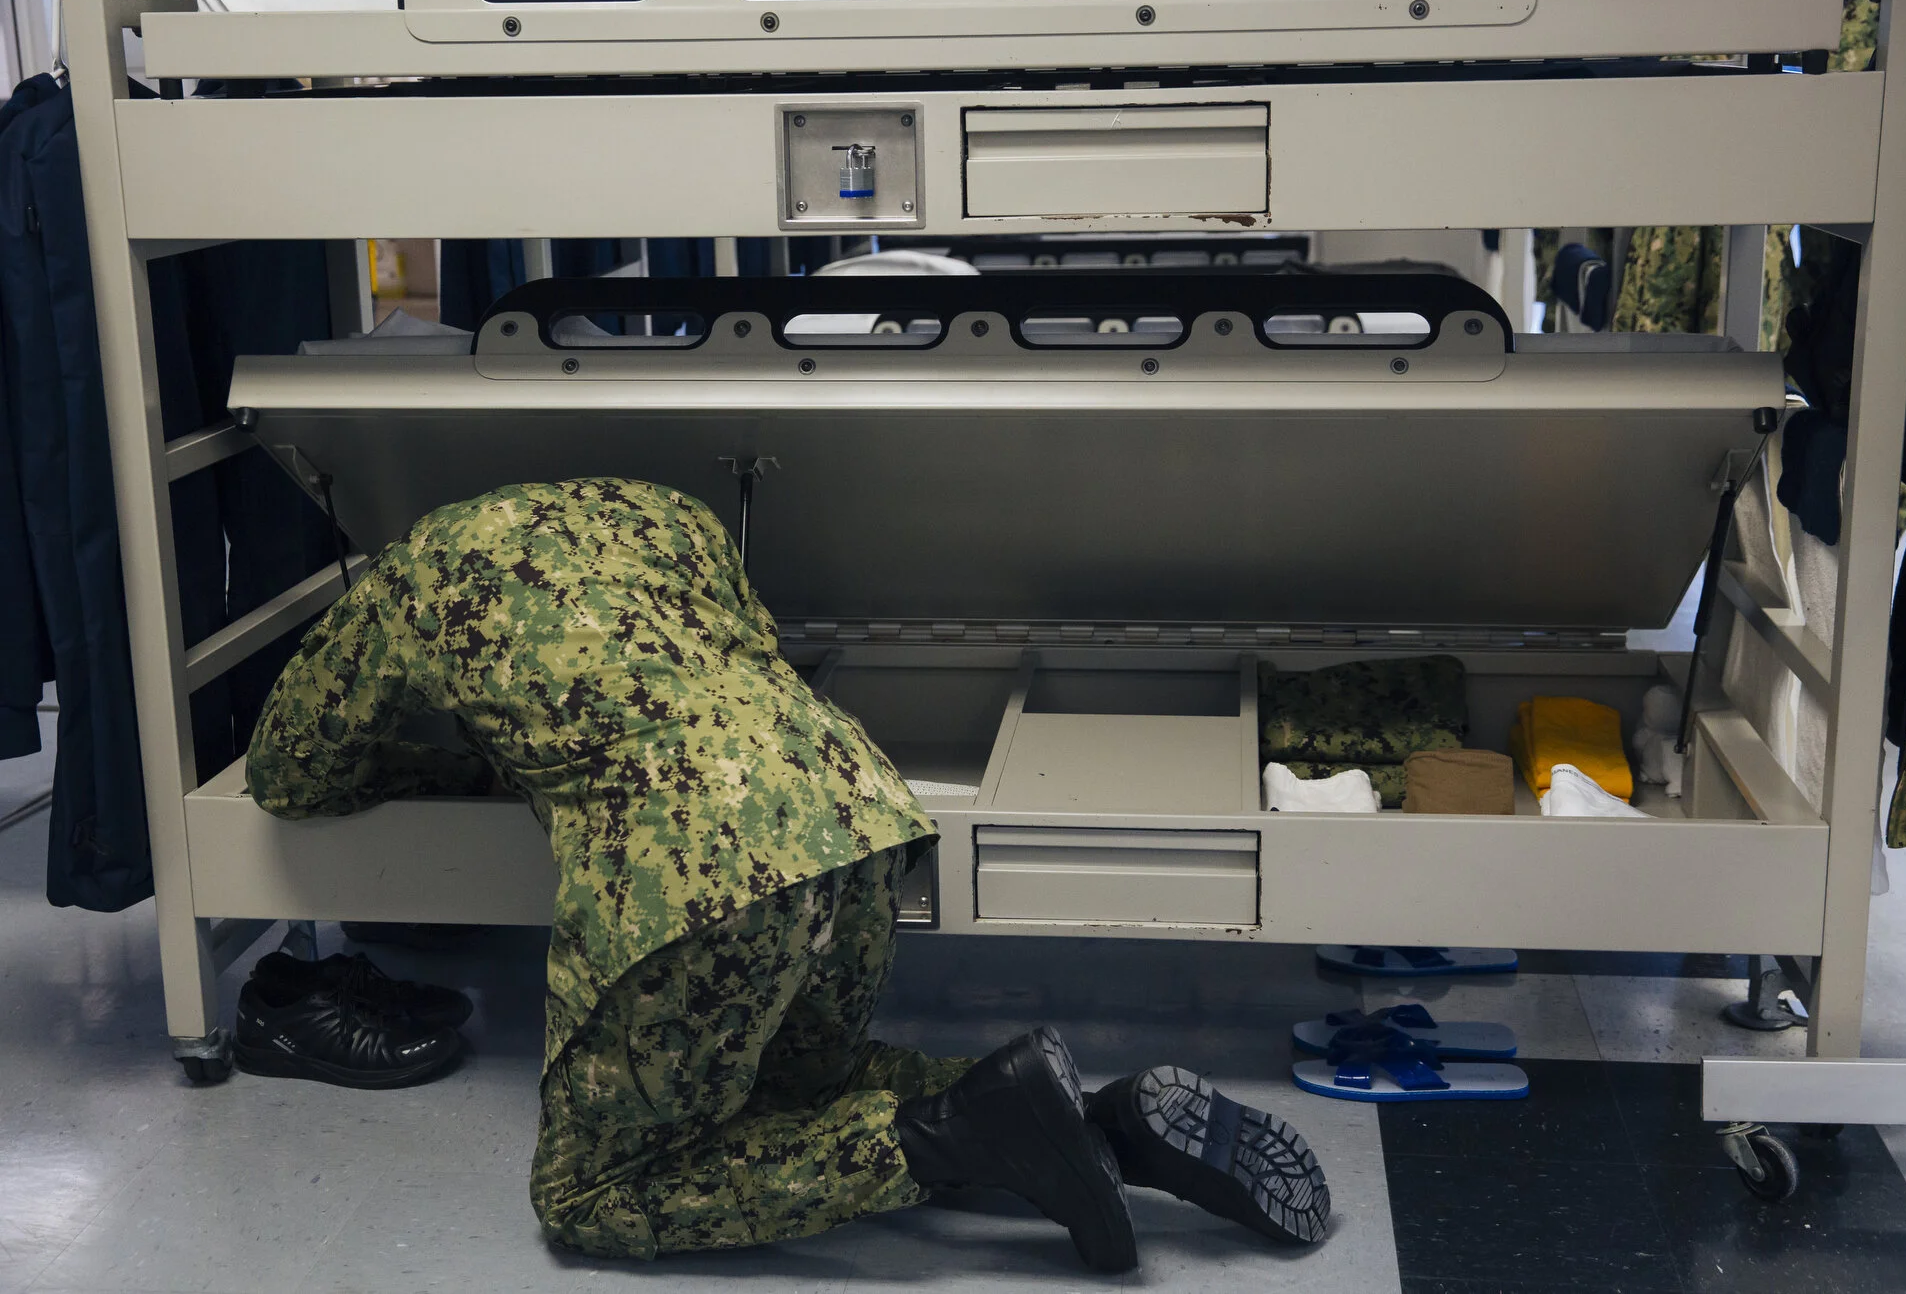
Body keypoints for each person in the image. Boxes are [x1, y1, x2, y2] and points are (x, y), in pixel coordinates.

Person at [245, 477, 1328, 1267]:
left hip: (690, 868)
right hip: (850, 806)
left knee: (591, 1193)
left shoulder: (417, 573)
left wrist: (466, 756)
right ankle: (1090, 1115)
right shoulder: (669, 512)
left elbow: (290, 770)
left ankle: (947, 1139)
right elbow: (736, 670)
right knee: (796, 1082)